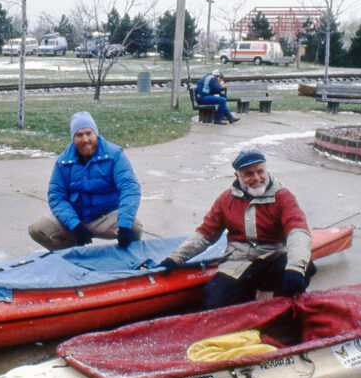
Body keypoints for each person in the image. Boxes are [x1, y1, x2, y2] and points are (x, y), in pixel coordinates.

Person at [157, 148, 314, 310]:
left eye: (260, 171)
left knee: (306, 269)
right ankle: (246, 298)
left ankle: (280, 311)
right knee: (213, 299)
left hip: (273, 257)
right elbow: (205, 235)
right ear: (237, 176)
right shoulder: (226, 199)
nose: (256, 178)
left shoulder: (283, 197)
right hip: (238, 262)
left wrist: (295, 268)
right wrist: (176, 258)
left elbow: (298, 233)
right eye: (248, 174)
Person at [28, 111, 142, 251]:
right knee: (38, 230)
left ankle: (129, 259)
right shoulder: (63, 161)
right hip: (76, 218)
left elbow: (129, 188)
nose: (85, 139)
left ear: (96, 134)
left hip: (105, 217)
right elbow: (56, 197)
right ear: (73, 138)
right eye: (79, 135)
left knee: (134, 228)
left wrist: (124, 225)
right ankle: (73, 254)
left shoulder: (115, 155)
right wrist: (75, 225)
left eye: (89, 133)